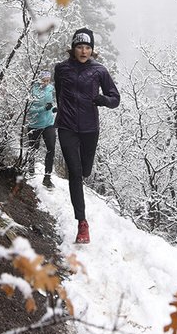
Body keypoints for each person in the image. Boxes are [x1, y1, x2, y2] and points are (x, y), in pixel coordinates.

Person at [53, 28, 120, 243]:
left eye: (88, 47)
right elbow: (59, 94)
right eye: (80, 47)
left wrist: (103, 100)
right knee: (75, 172)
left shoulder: (99, 71)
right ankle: (82, 223)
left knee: (85, 170)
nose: (84, 51)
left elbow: (115, 98)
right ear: (73, 48)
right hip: (67, 127)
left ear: (92, 50)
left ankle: (82, 183)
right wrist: (62, 113)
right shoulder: (61, 69)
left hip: (90, 128)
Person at [25, 70, 57, 188]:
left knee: (51, 149)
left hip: (49, 123)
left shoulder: (50, 88)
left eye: (48, 80)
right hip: (34, 124)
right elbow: (28, 109)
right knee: (33, 148)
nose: (46, 83)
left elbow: (50, 103)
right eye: (44, 80)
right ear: (39, 79)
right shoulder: (33, 89)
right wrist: (43, 108)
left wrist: (53, 109)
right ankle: (30, 171)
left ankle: (47, 178)